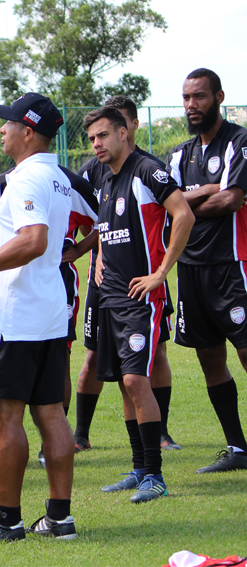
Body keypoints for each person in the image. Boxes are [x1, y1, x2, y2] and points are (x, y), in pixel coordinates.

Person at [0, 93, 75, 542]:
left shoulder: (25, 179)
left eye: (8, 123)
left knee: (5, 420)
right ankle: (59, 518)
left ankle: (7, 521)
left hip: (16, 317)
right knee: (51, 414)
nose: (1, 129)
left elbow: (34, 240)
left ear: (28, 132)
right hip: (48, 311)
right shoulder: (58, 177)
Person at [84, 106, 194, 503]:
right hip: (111, 296)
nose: (96, 144)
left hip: (141, 297)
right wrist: (98, 264)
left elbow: (183, 214)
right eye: (92, 138)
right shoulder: (107, 180)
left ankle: (156, 476)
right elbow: (106, 231)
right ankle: (138, 469)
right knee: (123, 385)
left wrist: (162, 272)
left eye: (103, 135)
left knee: (135, 380)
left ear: (123, 133)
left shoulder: (147, 170)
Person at [0, 157, 99, 475]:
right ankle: (0, 447)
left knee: (59, 360)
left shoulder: (69, 181)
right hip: (11, 288)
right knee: (3, 387)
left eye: (8, 124)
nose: (1, 131)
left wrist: (79, 250)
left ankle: (48, 446)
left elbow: (103, 222)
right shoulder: (2, 183)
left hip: (56, 282)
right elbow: (3, 236)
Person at [169, 68, 247, 473]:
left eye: (199, 97)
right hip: (190, 269)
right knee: (210, 359)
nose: (191, 105)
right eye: (186, 98)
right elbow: (171, 208)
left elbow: (231, 201)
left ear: (218, 96)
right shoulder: (179, 154)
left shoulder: (239, 140)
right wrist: (206, 191)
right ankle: (237, 448)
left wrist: (188, 203)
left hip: (231, 265)